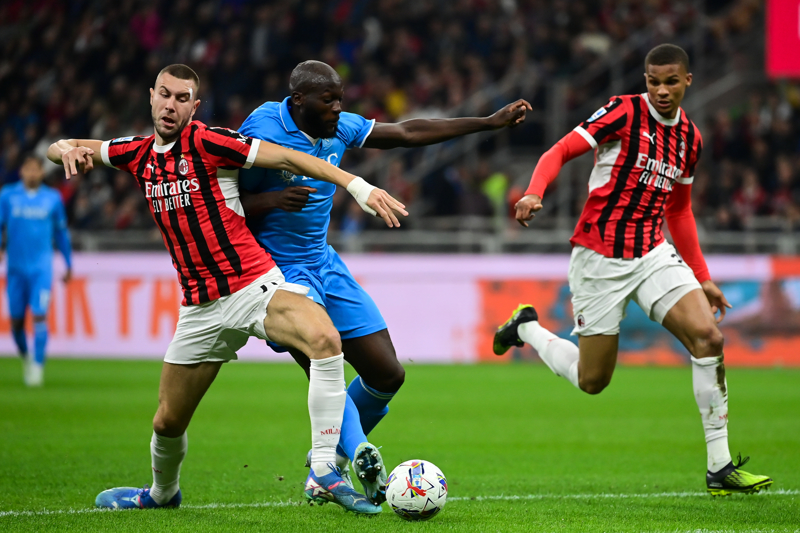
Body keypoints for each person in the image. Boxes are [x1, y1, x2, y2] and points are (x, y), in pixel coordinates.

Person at [47, 64, 407, 514]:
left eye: (182, 99)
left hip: (253, 285)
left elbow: (289, 159)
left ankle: (324, 469)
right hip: (200, 306)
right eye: (165, 95)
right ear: (151, 97)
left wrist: (355, 184)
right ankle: (161, 494)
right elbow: (65, 147)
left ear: (194, 107)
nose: (171, 105)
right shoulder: (135, 153)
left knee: (324, 339)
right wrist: (64, 149)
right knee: (167, 421)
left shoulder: (211, 142)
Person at [237, 60, 531, 503]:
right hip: (278, 273)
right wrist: (272, 200)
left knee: (387, 374)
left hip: (323, 263)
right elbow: (223, 199)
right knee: (325, 364)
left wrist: (488, 123)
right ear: (298, 100)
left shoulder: (338, 127)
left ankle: (331, 462)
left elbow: (407, 133)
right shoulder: (262, 129)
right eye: (328, 100)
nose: (338, 108)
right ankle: (355, 455)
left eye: (340, 98)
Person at [493, 44, 772, 496]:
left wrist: (702, 276)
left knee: (709, 338)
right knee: (593, 381)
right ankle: (525, 328)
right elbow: (559, 150)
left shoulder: (690, 138)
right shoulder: (622, 112)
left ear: (687, 81)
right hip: (599, 258)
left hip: (651, 253)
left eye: (671, 82)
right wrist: (533, 191)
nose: (661, 90)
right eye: (653, 81)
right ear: (645, 81)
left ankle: (719, 468)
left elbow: (679, 211)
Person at [0, 154, 72, 386]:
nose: (32, 173)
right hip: (15, 270)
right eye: (28, 169)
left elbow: (61, 233)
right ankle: (26, 357)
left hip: (41, 269)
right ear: (21, 171)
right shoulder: (7, 196)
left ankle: (38, 366)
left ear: (42, 173)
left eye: (36, 169)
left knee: (40, 315)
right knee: (16, 323)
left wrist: (68, 263)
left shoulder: (53, 198)